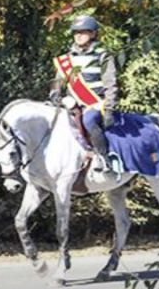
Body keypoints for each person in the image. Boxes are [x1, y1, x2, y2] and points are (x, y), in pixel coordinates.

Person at [50, 15, 120, 173]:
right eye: (76, 32)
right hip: (71, 104)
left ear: (93, 34)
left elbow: (110, 83)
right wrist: (55, 93)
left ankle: (103, 157)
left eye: (84, 32)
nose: (79, 35)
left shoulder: (103, 56)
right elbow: (59, 80)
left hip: (95, 103)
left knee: (89, 121)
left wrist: (109, 108)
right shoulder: (67, 59)